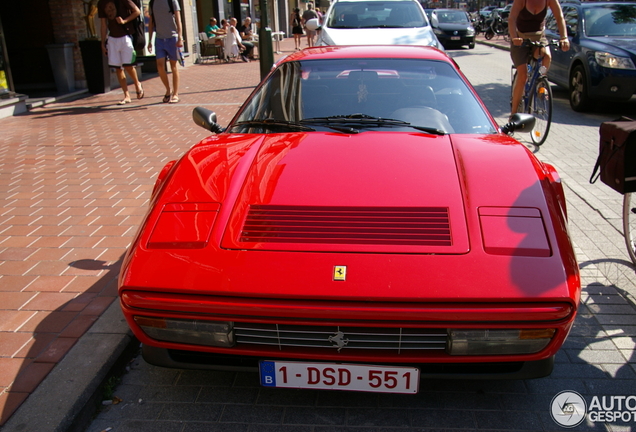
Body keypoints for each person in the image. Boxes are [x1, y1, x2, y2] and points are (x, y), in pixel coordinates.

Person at [508, 0, 570, 116]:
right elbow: (512, 18)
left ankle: (541, 81)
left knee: (546, 56)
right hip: (521, 39)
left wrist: (564, 37)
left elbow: (559, 17)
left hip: (538, 37)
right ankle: (513, 114)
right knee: (523, 74)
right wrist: (514, 37)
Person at [98, 0, 144, 105]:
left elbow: (137, 11)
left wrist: (124, 21)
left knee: (128, 65)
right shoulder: (101, 3)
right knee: (118, 68)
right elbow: (103, 25)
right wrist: (102, 42)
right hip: (112, 39)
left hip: (125, 36)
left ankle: (137, 84)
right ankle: (126, 95)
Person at [148, 0, 183, 103]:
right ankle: (168, 90)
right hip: (159, 39)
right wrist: (150, 40)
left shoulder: (171, 1)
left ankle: (175, 94)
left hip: (172, 38)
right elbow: (151, 22)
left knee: (173, 66)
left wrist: (180, 37)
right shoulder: (152, 2)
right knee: (160, 66)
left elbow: (178, 19)